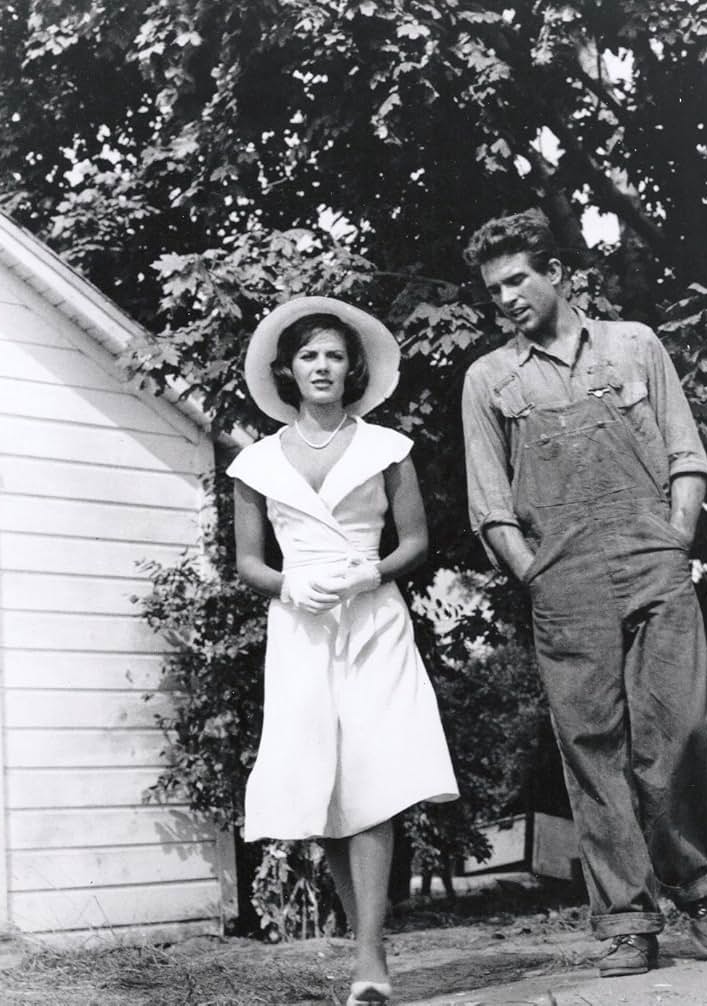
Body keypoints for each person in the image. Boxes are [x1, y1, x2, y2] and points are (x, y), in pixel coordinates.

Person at [460, 209, 707, 978]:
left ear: (558, 274)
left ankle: (701, 887)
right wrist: (534, 573)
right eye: (494, 290)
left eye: (518, 279)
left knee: (679, 731)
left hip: (654, 560)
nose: (507, 297)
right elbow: (490, 504)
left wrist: (676, 537)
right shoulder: (490, 379)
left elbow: (687, 452)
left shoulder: (634, 346)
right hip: (565, 581)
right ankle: (627, 921)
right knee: (593, 751)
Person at [229, 296, 458, 1006]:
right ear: (288, 373)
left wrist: (371, 570)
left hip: (374, 621)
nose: (322, 366)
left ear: (351, 367)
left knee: (374, 779)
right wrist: (290, 588)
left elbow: (415, 541)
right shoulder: (258, 462)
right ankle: (367, 945)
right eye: (308, 357)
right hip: (301, 626)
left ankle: (370, 958)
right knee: (324, 786)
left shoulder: (387, 447)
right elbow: (247, 562)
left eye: (333, 355)